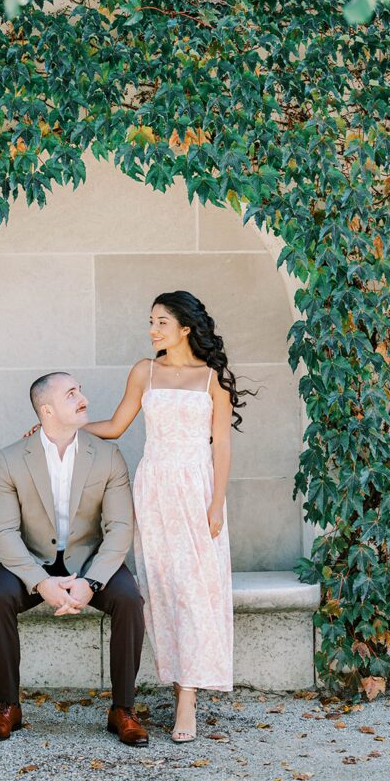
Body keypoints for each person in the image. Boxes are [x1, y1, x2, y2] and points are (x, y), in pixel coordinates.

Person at [81, 290, 246, 743]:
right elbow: (116, 426)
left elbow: (222, 445)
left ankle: (187, 699)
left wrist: (216, 503)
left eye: (161, 322)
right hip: (153, 488)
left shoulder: (210, 378)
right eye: (150, 321)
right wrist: (66, 428)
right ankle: (176, 680)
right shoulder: (144, 371)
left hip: (197, 490)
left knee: (196, 590)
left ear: (185, 328)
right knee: (164, 589)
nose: (152, 329)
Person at [0, 371, 148, 747]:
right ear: (47, 409)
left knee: (128, 599)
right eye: (71, 393)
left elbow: (120, 528)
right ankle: (7, 706)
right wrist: (40, 582)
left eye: (80, 391)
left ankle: (123, 709)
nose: (83, 398)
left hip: (90, 561)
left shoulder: (107, 456)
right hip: (31, 563)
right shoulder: (9, 460)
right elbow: (3, 534)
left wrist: (90, 584)